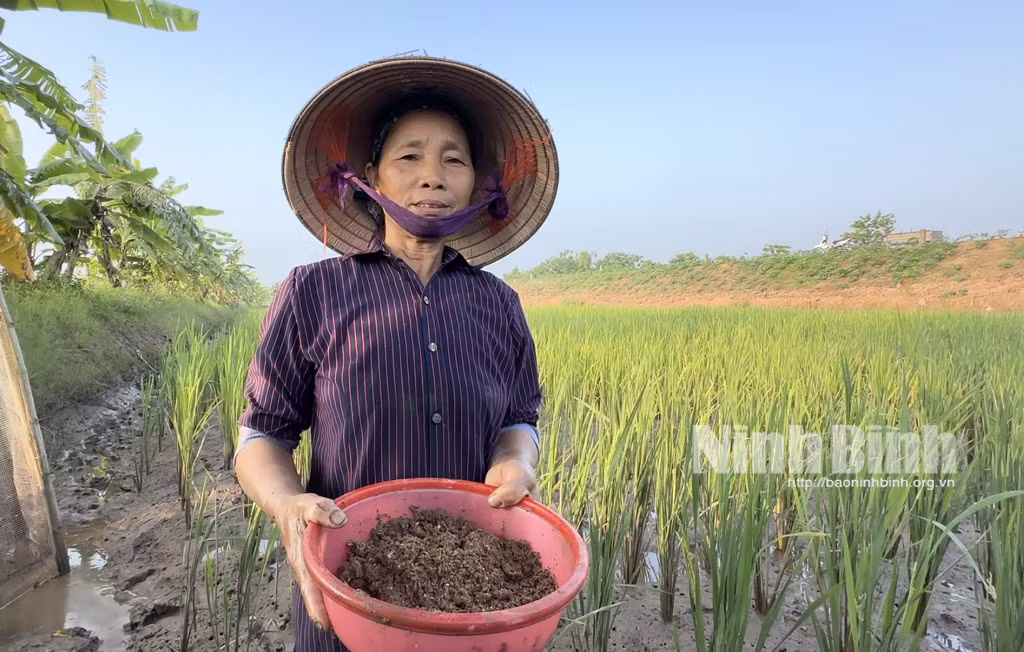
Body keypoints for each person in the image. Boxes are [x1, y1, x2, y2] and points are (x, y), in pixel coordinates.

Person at [233, 56, 559, 652]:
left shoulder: (500, 305)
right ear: (371, 177)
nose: (432, 175)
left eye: (453, 159)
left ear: (479, 186)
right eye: (409, 157)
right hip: (346, 584)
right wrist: (285, 505)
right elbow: (262, 438)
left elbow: (519, 418)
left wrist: (519, 460)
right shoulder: (312, 291)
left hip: (472, 596)